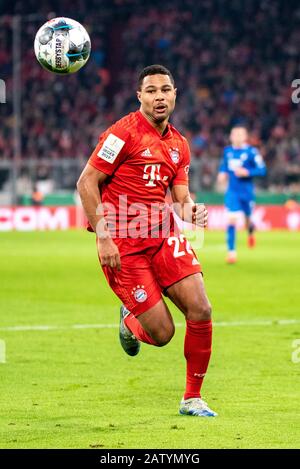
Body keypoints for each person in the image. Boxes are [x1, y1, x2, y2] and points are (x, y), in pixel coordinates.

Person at [77, 64, 217, 417]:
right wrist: (103, 238)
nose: (159, 97)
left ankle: (192, 398)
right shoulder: (122, 134)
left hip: (163, 234)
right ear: (139, 96)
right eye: (151, 90)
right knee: (162, 333)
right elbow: (86, 183)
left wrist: (192, 211)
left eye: (165, 90)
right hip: (124, 246)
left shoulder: (179, 145)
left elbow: (180, 199)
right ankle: (129, 320)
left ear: (174, 95)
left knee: (201, 308)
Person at [217, 125, 267, 264]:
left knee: (247, 221)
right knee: (231, 219)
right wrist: (222, 174)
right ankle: (231, 253)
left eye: (240, 135)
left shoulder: (252, 152)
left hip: (247, 192)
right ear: (231, 137)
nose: (237, 137)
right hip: (232, 192)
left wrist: (248, 172)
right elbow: (224, 166)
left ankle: (251, 232)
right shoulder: (227, 152)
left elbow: (262, 170)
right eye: (235, 134)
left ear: (245, 137)